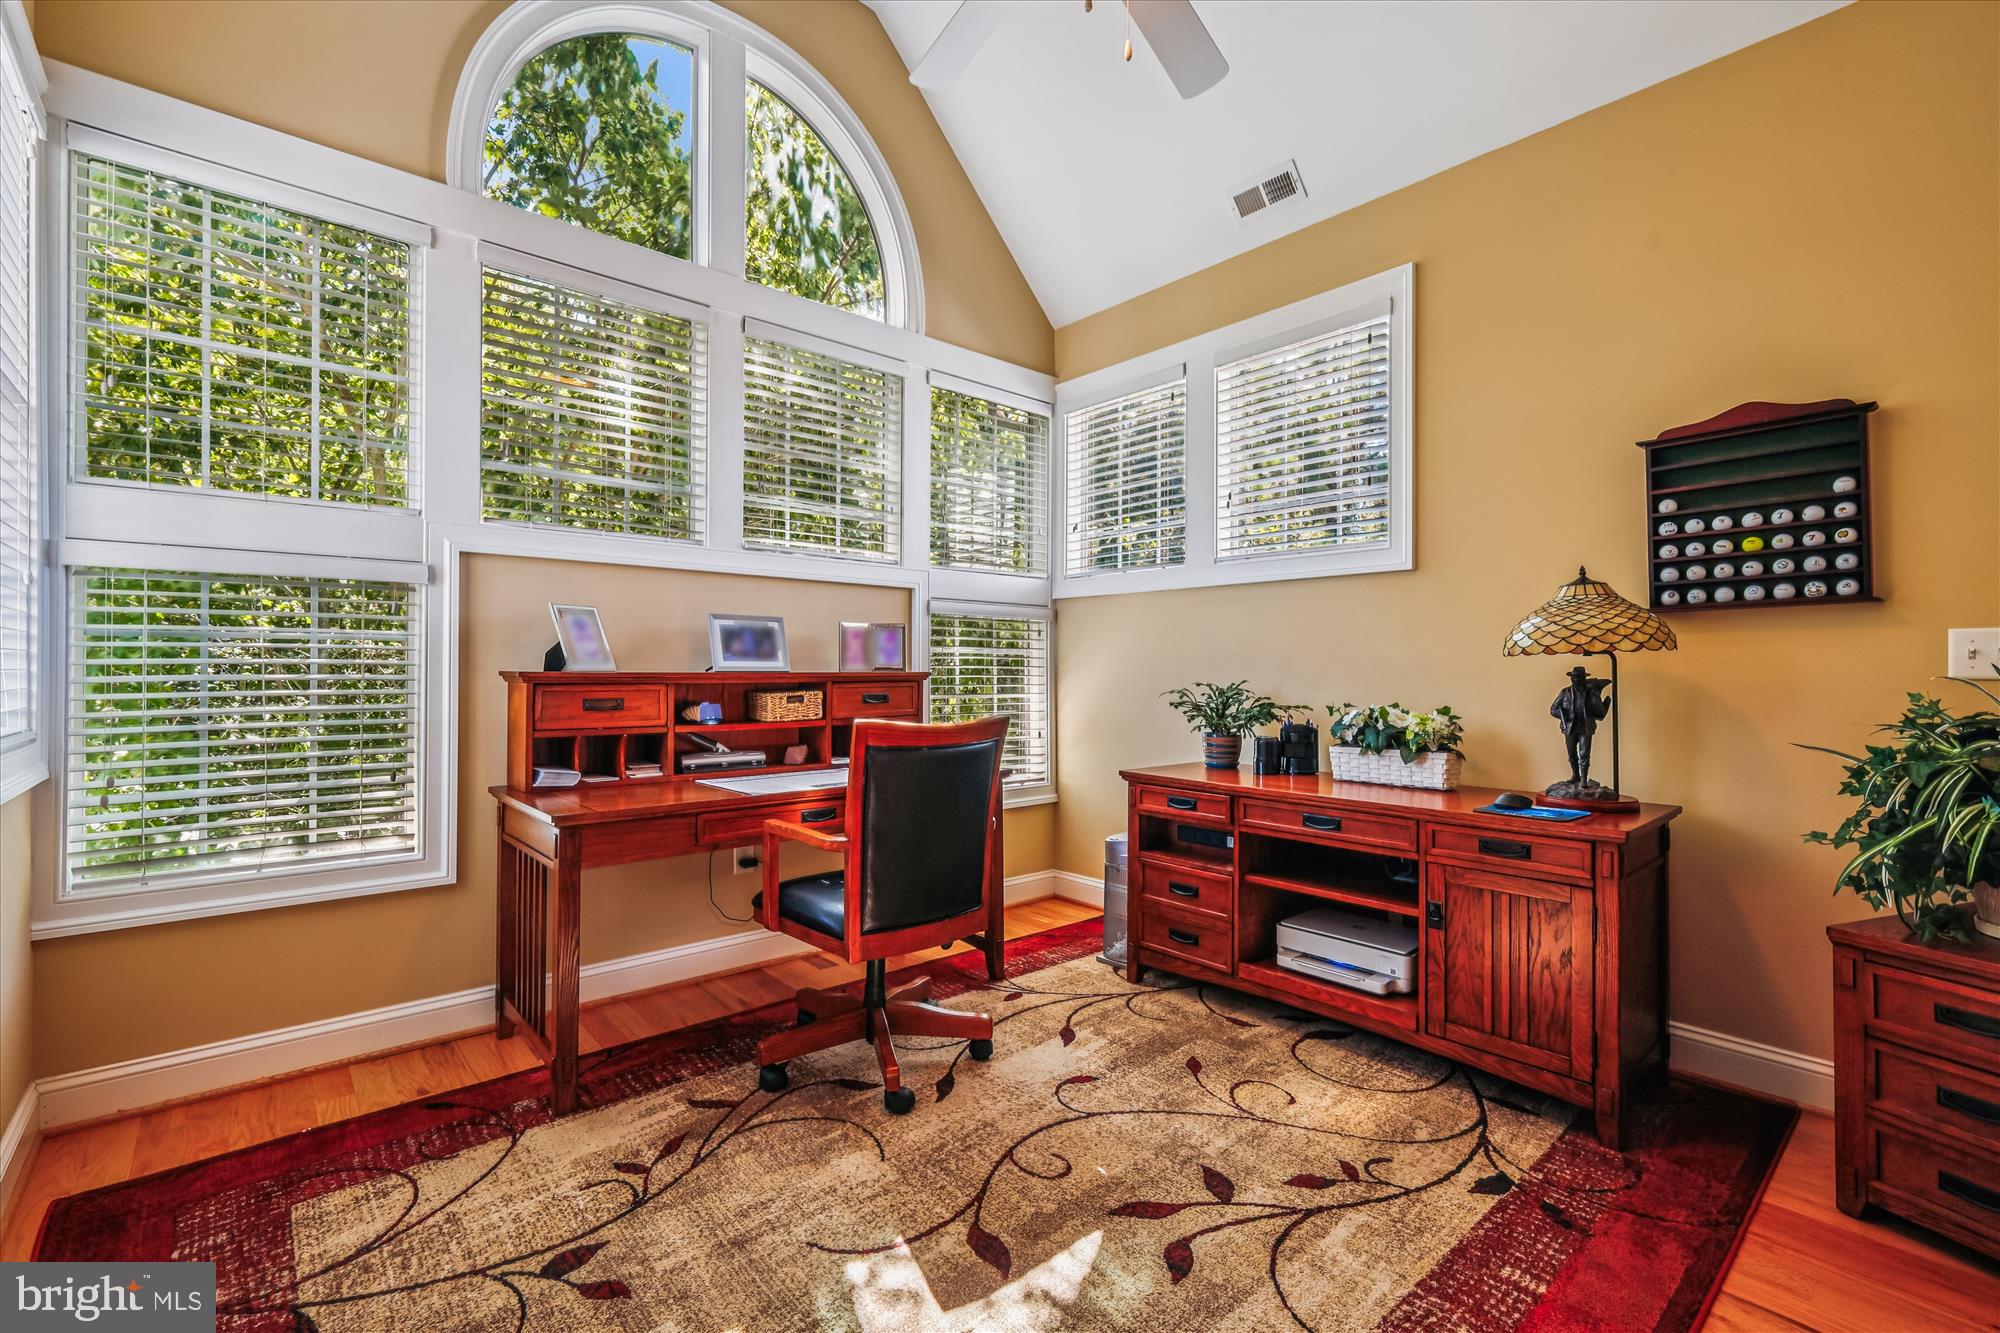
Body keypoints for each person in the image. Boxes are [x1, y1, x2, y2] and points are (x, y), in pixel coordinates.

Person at [1550, 665, 1612, 787]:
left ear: (1584, 678)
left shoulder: (1591, 692)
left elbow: (1599, 712)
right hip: (1570, 728)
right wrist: (1564, 717)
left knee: (1584, 753)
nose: (1576, 680)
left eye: (1579, 677)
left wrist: (1603, 703)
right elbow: (1553, 710)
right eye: (1574, 677)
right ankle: (1575, 775)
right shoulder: (1565, 692)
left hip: (1585, 726)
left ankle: (1584, 779)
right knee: (1572, 753)